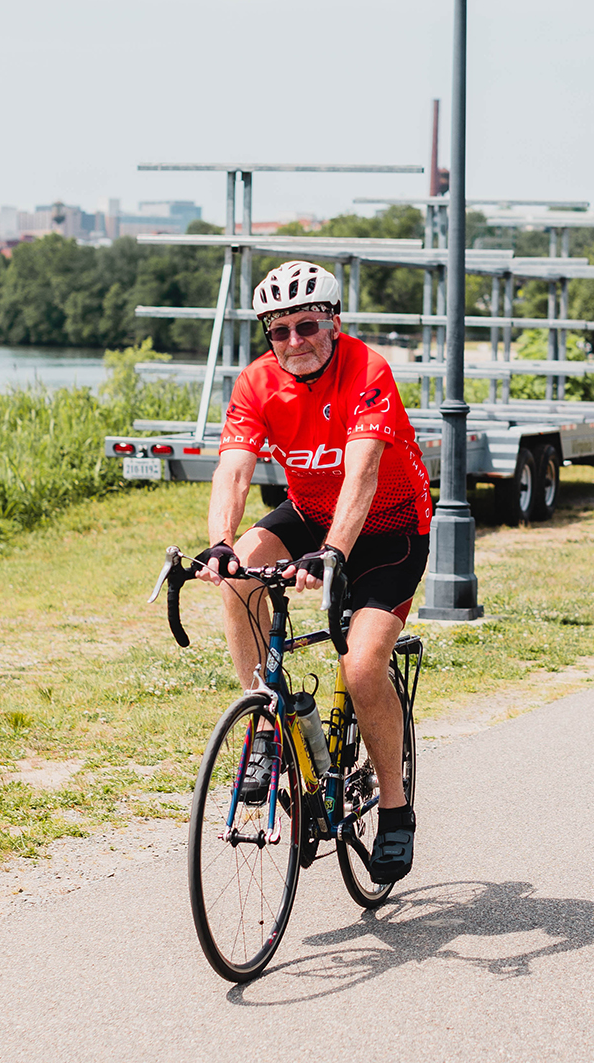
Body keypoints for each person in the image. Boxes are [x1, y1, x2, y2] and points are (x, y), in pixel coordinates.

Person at [194, 260, 432, 885]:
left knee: (359, 667)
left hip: (389, 529)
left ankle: (395, 807)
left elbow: (363, 474)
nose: (294, 341)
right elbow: (235, 470)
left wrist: (333, 555)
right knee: (240, 569)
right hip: (309, 512)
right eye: (280, 331)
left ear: (333, 323)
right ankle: (266, 724)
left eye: (307, 325)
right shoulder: (256, 383)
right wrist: (220, 542)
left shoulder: (367, 370)